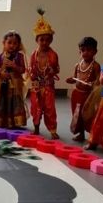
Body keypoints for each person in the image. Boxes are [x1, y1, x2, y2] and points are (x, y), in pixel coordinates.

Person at [29, 9, 60, 138]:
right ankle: (36, 128)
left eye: (47, 40)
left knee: (49, 108)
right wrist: (32, 75)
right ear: (37, 40)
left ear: (51, 40)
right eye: (41, 40)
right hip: (36, 85)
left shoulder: (53, 55)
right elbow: (31, 69)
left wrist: (52, 71)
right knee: (36, 107)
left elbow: (57, 69)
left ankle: (52, 130)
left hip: (48, 85)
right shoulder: (34, 54)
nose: (44, 42)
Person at [65, 37, 100, 142]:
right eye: (83, 50)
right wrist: (71, 80)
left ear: (95, 51)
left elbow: (98, 81)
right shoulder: (78, 65)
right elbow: (75, 78)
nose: (85, 53)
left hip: (88, 95)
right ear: (79, 52)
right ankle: (81, 134)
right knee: (77, 115)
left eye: (89, 50)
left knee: (89, 115)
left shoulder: (96, 66)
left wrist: (93, 84)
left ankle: (93, 136)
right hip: (77, 94)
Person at [0, 31, 28, 129]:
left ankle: (16, 122)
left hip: (15, 85)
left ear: (18, 44)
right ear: (4, 43)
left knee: (15, 102)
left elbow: (23, 70)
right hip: (3, 84)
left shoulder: (19, 56)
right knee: (3, 101)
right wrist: (0, 74)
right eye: (9, 43)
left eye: (15, 43)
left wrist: (14, 66)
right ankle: (2, 121)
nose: (12, 45)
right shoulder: (1, 56)